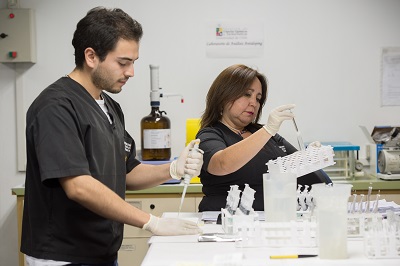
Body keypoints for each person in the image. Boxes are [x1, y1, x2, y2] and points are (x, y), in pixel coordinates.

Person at [21, 7, 203, 266]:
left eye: (133, 63)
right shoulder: (56, 106)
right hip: (62, 255)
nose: (131, 72)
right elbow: (78, 186)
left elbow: (126, 172)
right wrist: (152, 222)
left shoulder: (109, 106)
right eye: (123, 62)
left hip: (103, 251)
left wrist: (173, 169)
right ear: (91, 56)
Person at [196, 64, 331, 212]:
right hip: (225, 223)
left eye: (258, 99)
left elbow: (296, 169)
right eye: (247, 94)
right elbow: (222, 164)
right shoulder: (210, 135)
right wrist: (268, 130)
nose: (254, 103)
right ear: (223, 96)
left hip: (273, 221)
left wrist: (310, 158)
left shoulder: (263, 133)